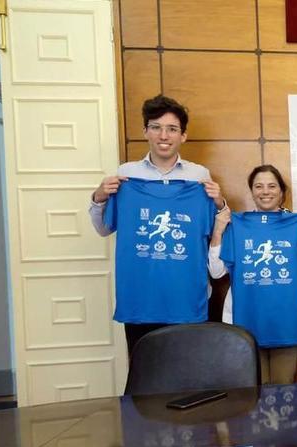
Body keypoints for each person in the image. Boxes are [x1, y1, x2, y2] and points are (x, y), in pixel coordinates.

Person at [90, 95, 227, 354]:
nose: (164, 135)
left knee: (190, 377)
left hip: (187, 296)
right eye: (156, 127)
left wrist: (219, 203)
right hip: (141, 298)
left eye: (172, 129)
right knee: (145, 375)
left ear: (182, 136)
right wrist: (99, 197)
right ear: (146, 131)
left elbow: (218, 229)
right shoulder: (126, 176)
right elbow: (103, 229)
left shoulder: (199, 177)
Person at [209, 164, 297, 384]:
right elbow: (216, 272)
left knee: (284, 391)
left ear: (282, 191)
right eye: (258, 186)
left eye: (272, 186)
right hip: (247, 322)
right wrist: (218, 231)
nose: (265, 191)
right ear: (251, 191)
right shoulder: (237, 225)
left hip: (285, 323)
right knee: (255, 392)